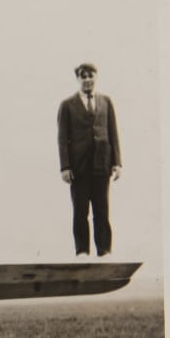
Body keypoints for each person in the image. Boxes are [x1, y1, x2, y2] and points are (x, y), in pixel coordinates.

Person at [57, 62, 122, 257]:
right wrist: (65, 167)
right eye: (83, 76)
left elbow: (113, 133)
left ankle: (104, 251)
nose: (87, 80)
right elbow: (62, 139)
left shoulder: (106, 102)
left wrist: (117, 163)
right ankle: (82, 251)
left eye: (90, 76)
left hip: (102, 165)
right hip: (79, 167)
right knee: (80, 212)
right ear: (78, 79)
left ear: (96, 77)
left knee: (102, 211)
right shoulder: (67, 105)